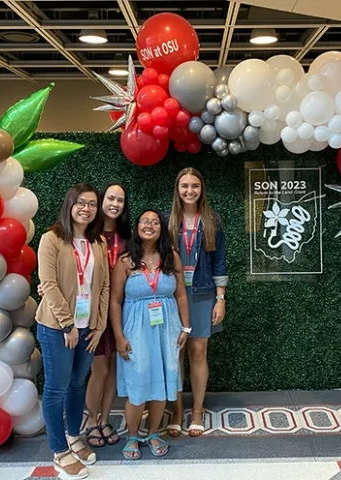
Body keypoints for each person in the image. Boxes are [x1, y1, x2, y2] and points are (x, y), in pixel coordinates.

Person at [36, 183, 110, 479]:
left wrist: (100, 324)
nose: (86, 209)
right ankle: (59, 450)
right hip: (57, 328)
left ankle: (73, 435)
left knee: (78, 383)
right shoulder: (51, 239)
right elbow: (49, 285)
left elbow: (103, 286)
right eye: (80, 203)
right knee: (56, 388)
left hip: (88, 328)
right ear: (69, 205)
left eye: (92, 204)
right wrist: (68, 324)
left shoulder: (99, 243)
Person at [110, 209, 190, 459]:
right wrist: (119, 337)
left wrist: (185, 327)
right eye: (145, 221)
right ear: (136, 227)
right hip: (135, 330)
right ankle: (132, 436)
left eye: (155, 222)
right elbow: (115, 301)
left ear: (161, 229)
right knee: (138, 380)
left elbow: (180, 294)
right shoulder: (125, 261)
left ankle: (154, 433)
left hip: (167, 328)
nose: (150, 225)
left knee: (162, 382)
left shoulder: (171, 257)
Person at [165, 167, 228, 438]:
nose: (189, 191)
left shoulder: (212, 221)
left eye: (195, 186)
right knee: (176, 352)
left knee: (198, 352)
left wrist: (221, 299)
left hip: (203, 295)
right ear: (177, 190)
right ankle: (177, 410)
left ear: (201, 190)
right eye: (184, 186)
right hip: (172, 296)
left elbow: (220, 262)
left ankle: (198, 410)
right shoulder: (167, 221)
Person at [84, 183, 131, 448]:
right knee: (99, 368)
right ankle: (91, 421)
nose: (115, 204)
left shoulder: (127, 236)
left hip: (122, 311)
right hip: (94, 311)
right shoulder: (89, 233)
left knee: (115, 368)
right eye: (110, 198)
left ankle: (104, 420)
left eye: (120, 200)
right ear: (102, 200)